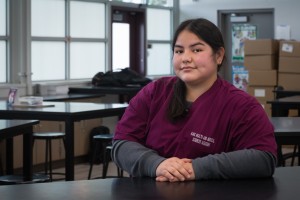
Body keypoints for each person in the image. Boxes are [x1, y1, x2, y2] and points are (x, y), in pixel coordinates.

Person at [111, 18, 277, 182]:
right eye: (179, 51)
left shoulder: (242, 105)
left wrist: (195, 169)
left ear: (218, 55)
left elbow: (263, 158)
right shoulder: (154, 92)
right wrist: (157, 165)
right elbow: (122, 144)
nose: (185, 58)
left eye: (196, 50)